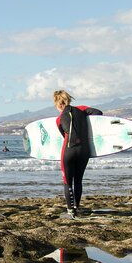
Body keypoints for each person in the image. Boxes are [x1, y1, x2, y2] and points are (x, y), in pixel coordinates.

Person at [53, 90, 102, 218]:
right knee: (78, 180)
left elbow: (64, 135)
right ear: (69, 100)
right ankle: (77, 208)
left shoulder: (58, 119)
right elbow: (98, 113)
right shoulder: (82, 109)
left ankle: (70, 212)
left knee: (67, 182)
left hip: (69, 151)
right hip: (84, 150)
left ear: (57, 104)